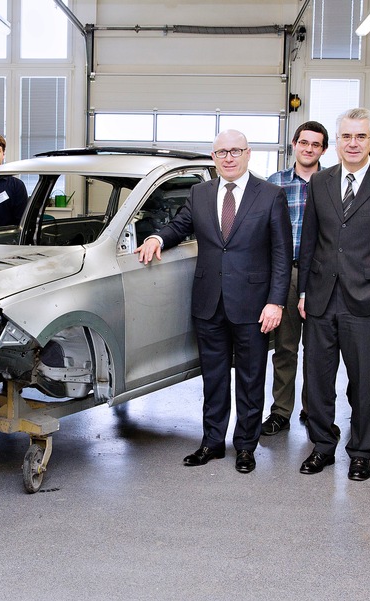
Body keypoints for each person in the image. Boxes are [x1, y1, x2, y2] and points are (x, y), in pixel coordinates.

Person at [135, 129, 292, 474]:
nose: (229, 157)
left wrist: (276, 302)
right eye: (222, 152)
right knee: (214, 377)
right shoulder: (200, 192)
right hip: (209, 302)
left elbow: (282, 253)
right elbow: (179, 226)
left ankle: (246, 446)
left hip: (253, 304)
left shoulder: (270, 195)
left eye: (236, 151)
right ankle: (212, 442)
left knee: (251, 378)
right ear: (214, 157)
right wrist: (157, 237)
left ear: (249, 154)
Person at [298, 108, 370, 481]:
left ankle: (361, 451)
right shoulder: (320, 182)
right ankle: (322, 447)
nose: (353, 143)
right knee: (317, 379)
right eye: (347, 136)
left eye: (360, 137)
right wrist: (303, 292)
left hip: (366, 301)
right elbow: (310, 240)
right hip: (320, 298)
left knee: (364, 381)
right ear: (338, 141)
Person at [261, 120, 327, 436]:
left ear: (323, 149)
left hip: (320, 276)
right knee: (286, 347)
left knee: (319, 350)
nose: (309, 148)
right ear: (294, 144)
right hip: (284, 273)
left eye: (316, 144)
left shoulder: (332, 183)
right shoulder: (274, 183)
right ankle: (280, 412)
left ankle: (314, 411)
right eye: (304, 142)